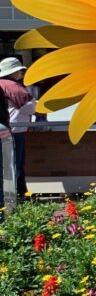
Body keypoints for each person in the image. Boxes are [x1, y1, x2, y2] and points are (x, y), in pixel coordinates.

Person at [0, 57, 35, 198]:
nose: (22, 73)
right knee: (16, 164)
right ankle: (20, 194)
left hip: (7, 130)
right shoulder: (13, 86)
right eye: (20, 70)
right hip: (14, 131)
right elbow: (29, 108)